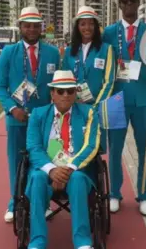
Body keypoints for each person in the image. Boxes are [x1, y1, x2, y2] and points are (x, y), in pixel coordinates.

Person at [0, 6, 60, 223]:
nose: (32, 29)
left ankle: (43, 203)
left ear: (41, 27)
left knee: (43, 162)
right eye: (27, 25)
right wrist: (13, 109)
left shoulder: (52, 53)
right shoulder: (8, 53)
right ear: (20, 27)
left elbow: (58, 86)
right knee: (16, 163)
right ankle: (15, 202)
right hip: (17, 120)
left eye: (35, 26)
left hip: (44, 121)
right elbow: (0, 87)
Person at [102, 0, 146, 216]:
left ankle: (145, 195)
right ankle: (115, 194)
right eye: (124, 1)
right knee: (114, 150)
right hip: (115, 100)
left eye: (132, 0)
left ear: (138, 3)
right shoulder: (108, 33)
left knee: (144, 148)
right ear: (119, 5)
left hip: (143, 100)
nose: (128, 5)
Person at [26, 70, 100, 249]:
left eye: (70, 91)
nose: (65, 95)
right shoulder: (38, 114)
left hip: (76, 170)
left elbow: (91, 145)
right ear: (52, 93)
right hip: (46, 169)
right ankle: (37, 242)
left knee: (77, 179)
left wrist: (68, 170)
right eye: (60, 91)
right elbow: (33, 147)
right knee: (36, 178)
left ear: (76, 92)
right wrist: (52, 170)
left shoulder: (88, 113)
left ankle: (82, 241)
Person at [62, 6, 115, 152]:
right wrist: (70, 101)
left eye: (91, 23)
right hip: (74, 108)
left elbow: (109, 82)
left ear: (96, 26)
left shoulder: (106, 49)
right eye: (83, 23)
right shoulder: (69, 52)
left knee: (94, 149)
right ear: (77, 27)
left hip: (95, 110)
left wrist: (95, 107)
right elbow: (64, 79)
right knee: (73, 148)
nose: (87, 27)